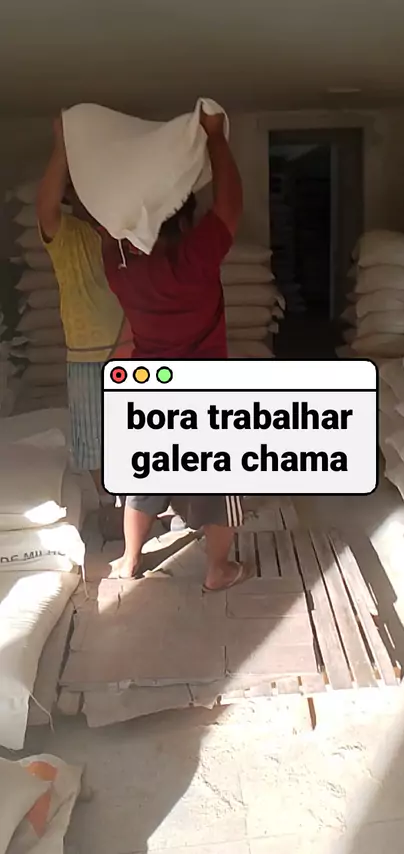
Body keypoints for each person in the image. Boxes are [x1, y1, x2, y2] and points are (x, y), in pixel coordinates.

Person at [102, 108, 248, 591]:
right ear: (185, 219)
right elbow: (229, 206)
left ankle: (129, 560)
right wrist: (215, 139)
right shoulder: (194, 259)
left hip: (149, 386)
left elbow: (106, 216)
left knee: (145, 474)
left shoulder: (119, 265)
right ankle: (217, 569)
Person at [36, 117, 132, 536]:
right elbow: (45, 207)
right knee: (94, 439)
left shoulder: (128, 236)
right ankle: (111, 506)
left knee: (136, 431)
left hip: (133, 348)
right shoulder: (66, 235)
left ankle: (137, 505)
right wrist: (62, 145)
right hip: (86, 354)